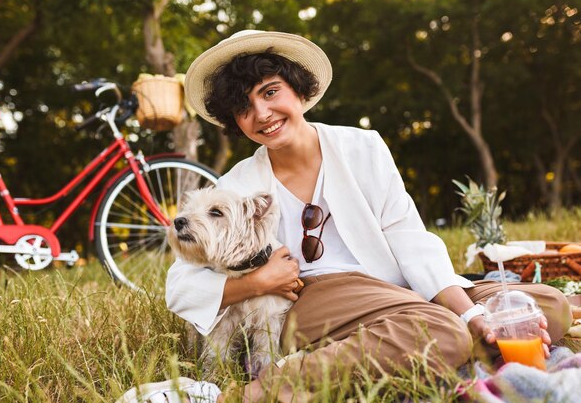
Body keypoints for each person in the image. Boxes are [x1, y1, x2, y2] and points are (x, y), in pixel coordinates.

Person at [164, 30, 572, 402]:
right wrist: (257, 281)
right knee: (443, 330)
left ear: (299, 90)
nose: (262, 113)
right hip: (316, 299)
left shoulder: (363, 147)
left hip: (395, 289)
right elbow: (179, 284)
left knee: (547, 306)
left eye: (270, 92)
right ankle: (259, 390)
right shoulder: (238, 184)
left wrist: (470, 312)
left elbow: (407, 235)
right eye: (244, 107)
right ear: (234, 120)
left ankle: (403, 343)